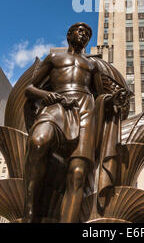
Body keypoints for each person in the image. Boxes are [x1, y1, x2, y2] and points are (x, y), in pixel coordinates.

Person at [23, 22, 129, 223]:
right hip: (56, 105)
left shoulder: (92, 65)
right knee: (38, 141)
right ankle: (30, 211)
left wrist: (113, 100)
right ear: (69, 34)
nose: (84, 36)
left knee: (78, 173)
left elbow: (101, 95)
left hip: (85, 111)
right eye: (80, 31)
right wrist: (46, 95)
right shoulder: (54, 58)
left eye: (88, 34)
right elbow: (29, 88)